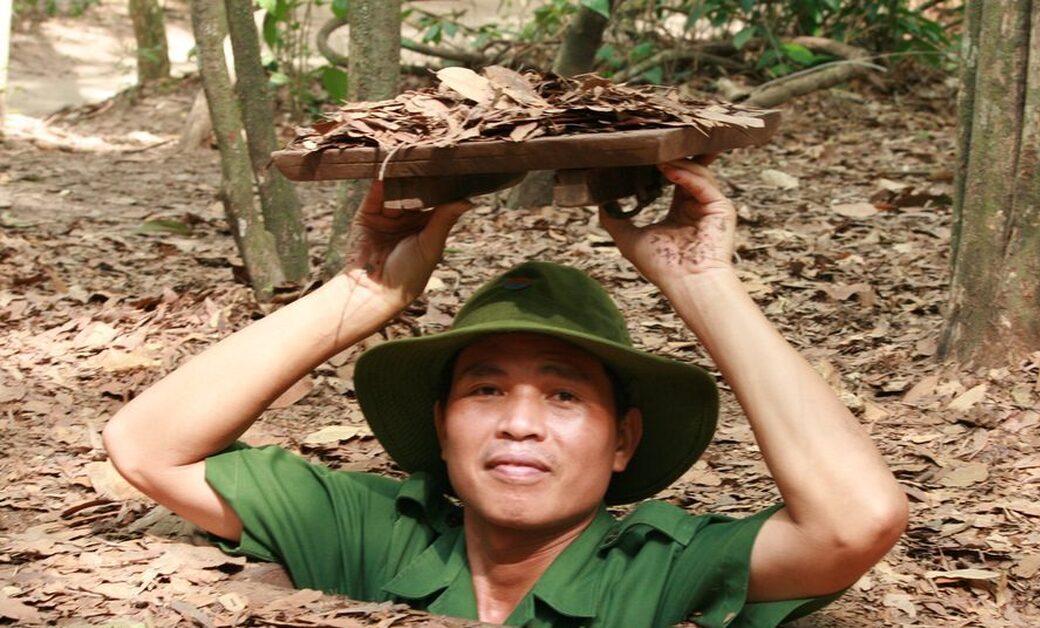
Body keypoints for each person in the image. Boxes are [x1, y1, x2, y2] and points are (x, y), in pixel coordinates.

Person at [103, 157, 907, 627]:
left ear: (623, 439)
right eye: (485, 390)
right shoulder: (375, 535)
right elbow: (148, 447)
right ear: (441, 424)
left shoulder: (655, 569)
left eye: (564, 398)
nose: (520, 424)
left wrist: (704, 286)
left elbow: (855, 521)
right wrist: (365, 291)